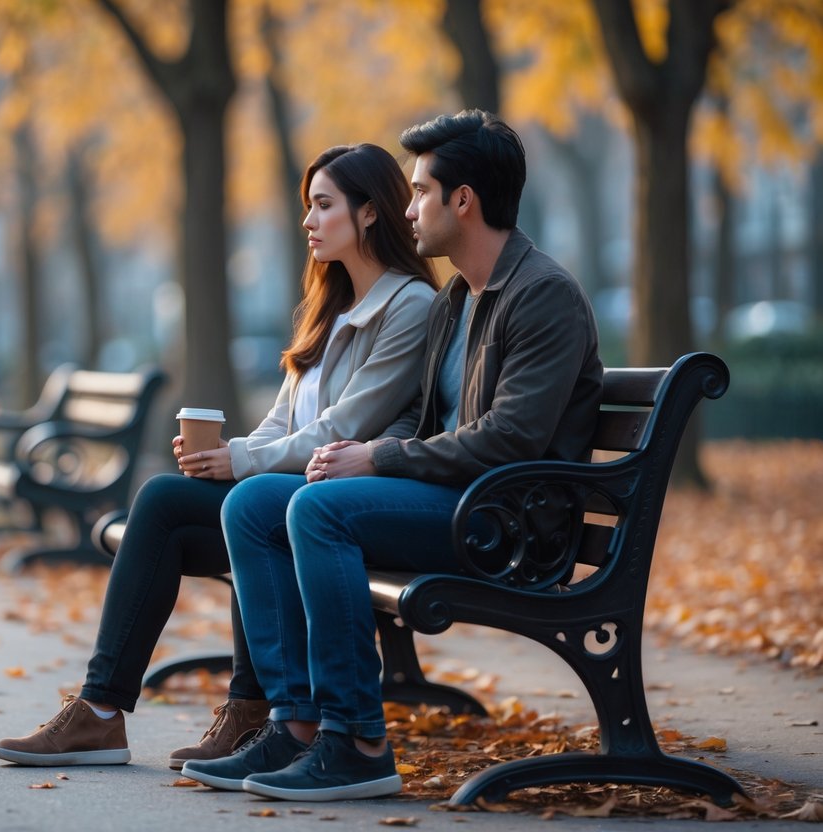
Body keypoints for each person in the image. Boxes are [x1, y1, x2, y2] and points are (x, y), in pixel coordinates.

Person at [183, 110, 603, 801]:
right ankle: (293, 724)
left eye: (419, 193)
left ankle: (358, 743)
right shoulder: (455, 302)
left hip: (511, 522)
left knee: (320, 514)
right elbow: (434, 422)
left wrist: (380, 457)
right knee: (255, 503)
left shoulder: (541, 295)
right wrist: (351, 452)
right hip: (461, 501)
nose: (406, 210)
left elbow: (511, 438)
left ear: (461, 200)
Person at [0, 143, 441, 769]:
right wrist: (224, 455)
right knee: (163, 499)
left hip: (336, 500)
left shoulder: (408, 307)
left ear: (369, 213)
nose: (308, 221)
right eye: (306, 206)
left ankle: (256, 712)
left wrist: (242, 462)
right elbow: (282, 423)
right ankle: (101, 710)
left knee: (251, 502)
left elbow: (347, 426)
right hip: (294, 490)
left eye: (323, 206)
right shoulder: (329, 306)